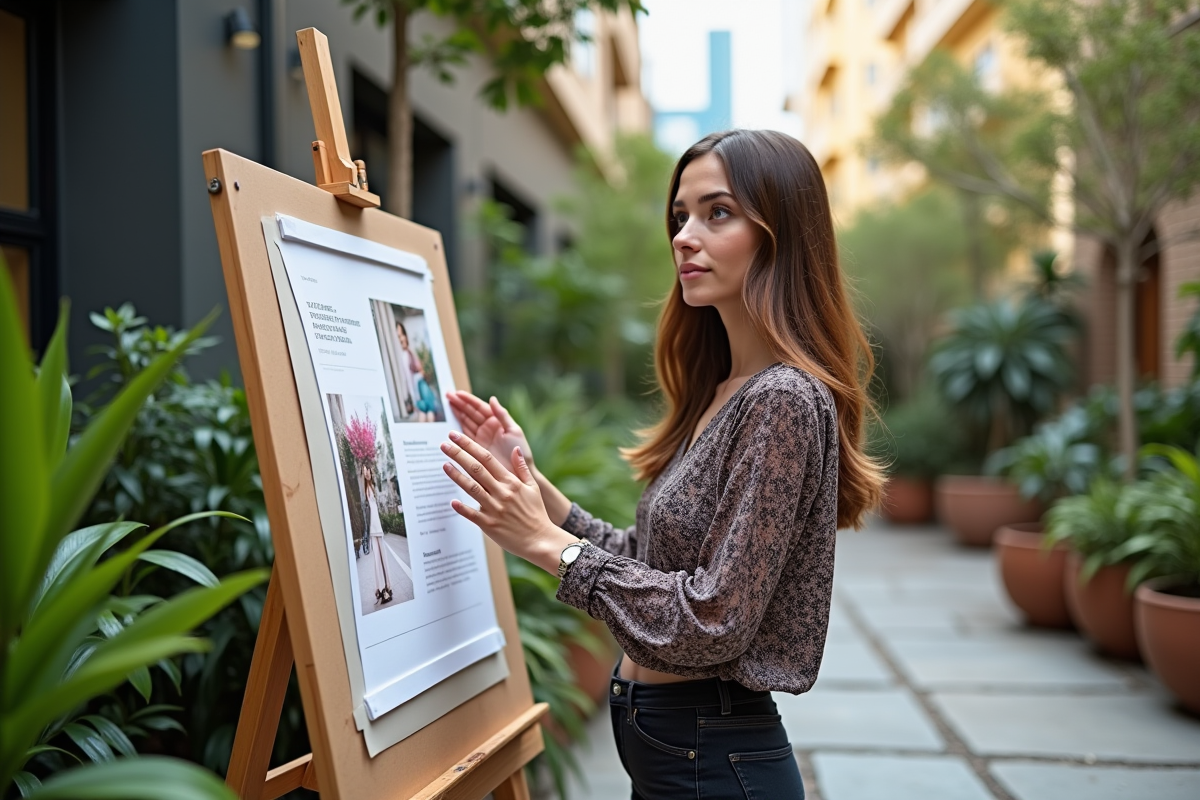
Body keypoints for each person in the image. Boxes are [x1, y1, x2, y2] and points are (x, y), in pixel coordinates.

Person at [441, 130, 883, 799]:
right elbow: (654, 563)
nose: (683, 236)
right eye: (680, 216)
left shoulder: (783, 399)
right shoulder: (723, 391)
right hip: (679, 752)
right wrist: (540, 494)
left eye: (717, 213)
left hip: (714, 759)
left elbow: (714, 618)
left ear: (781, 234)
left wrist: (546, 545)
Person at [361, 463, 394, 604]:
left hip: (377, 527)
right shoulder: (366, 489)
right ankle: (381, 589)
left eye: (368, 471)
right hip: (373, 529)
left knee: (383, 558)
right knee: (377, 560)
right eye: (364, 472)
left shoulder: (373, 486)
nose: (366, 473)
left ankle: (387, 587)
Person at [396, 321, 438, 422]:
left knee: (427, 413)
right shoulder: (403, 356)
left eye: (402, 335)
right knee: (426, 413)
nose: (402, 339)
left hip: (421, 396)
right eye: (398, 336)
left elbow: (415, 377)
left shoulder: (409, 354)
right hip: (419, 398)